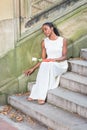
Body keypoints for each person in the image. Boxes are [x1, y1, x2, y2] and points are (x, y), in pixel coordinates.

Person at [24, 22, 68, 105]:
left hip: (60, 64)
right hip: (48, 64)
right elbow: (43, 59)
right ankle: (37, 94)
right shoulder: (44, 42)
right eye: (43, 30)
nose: (44, 32)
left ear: (52, 29)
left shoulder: (63, 40)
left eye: (46, 29)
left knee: (48, 64)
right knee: (45, 64)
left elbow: (64, 57)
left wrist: (53, 60)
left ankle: (39, 95)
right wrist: (33, 68)